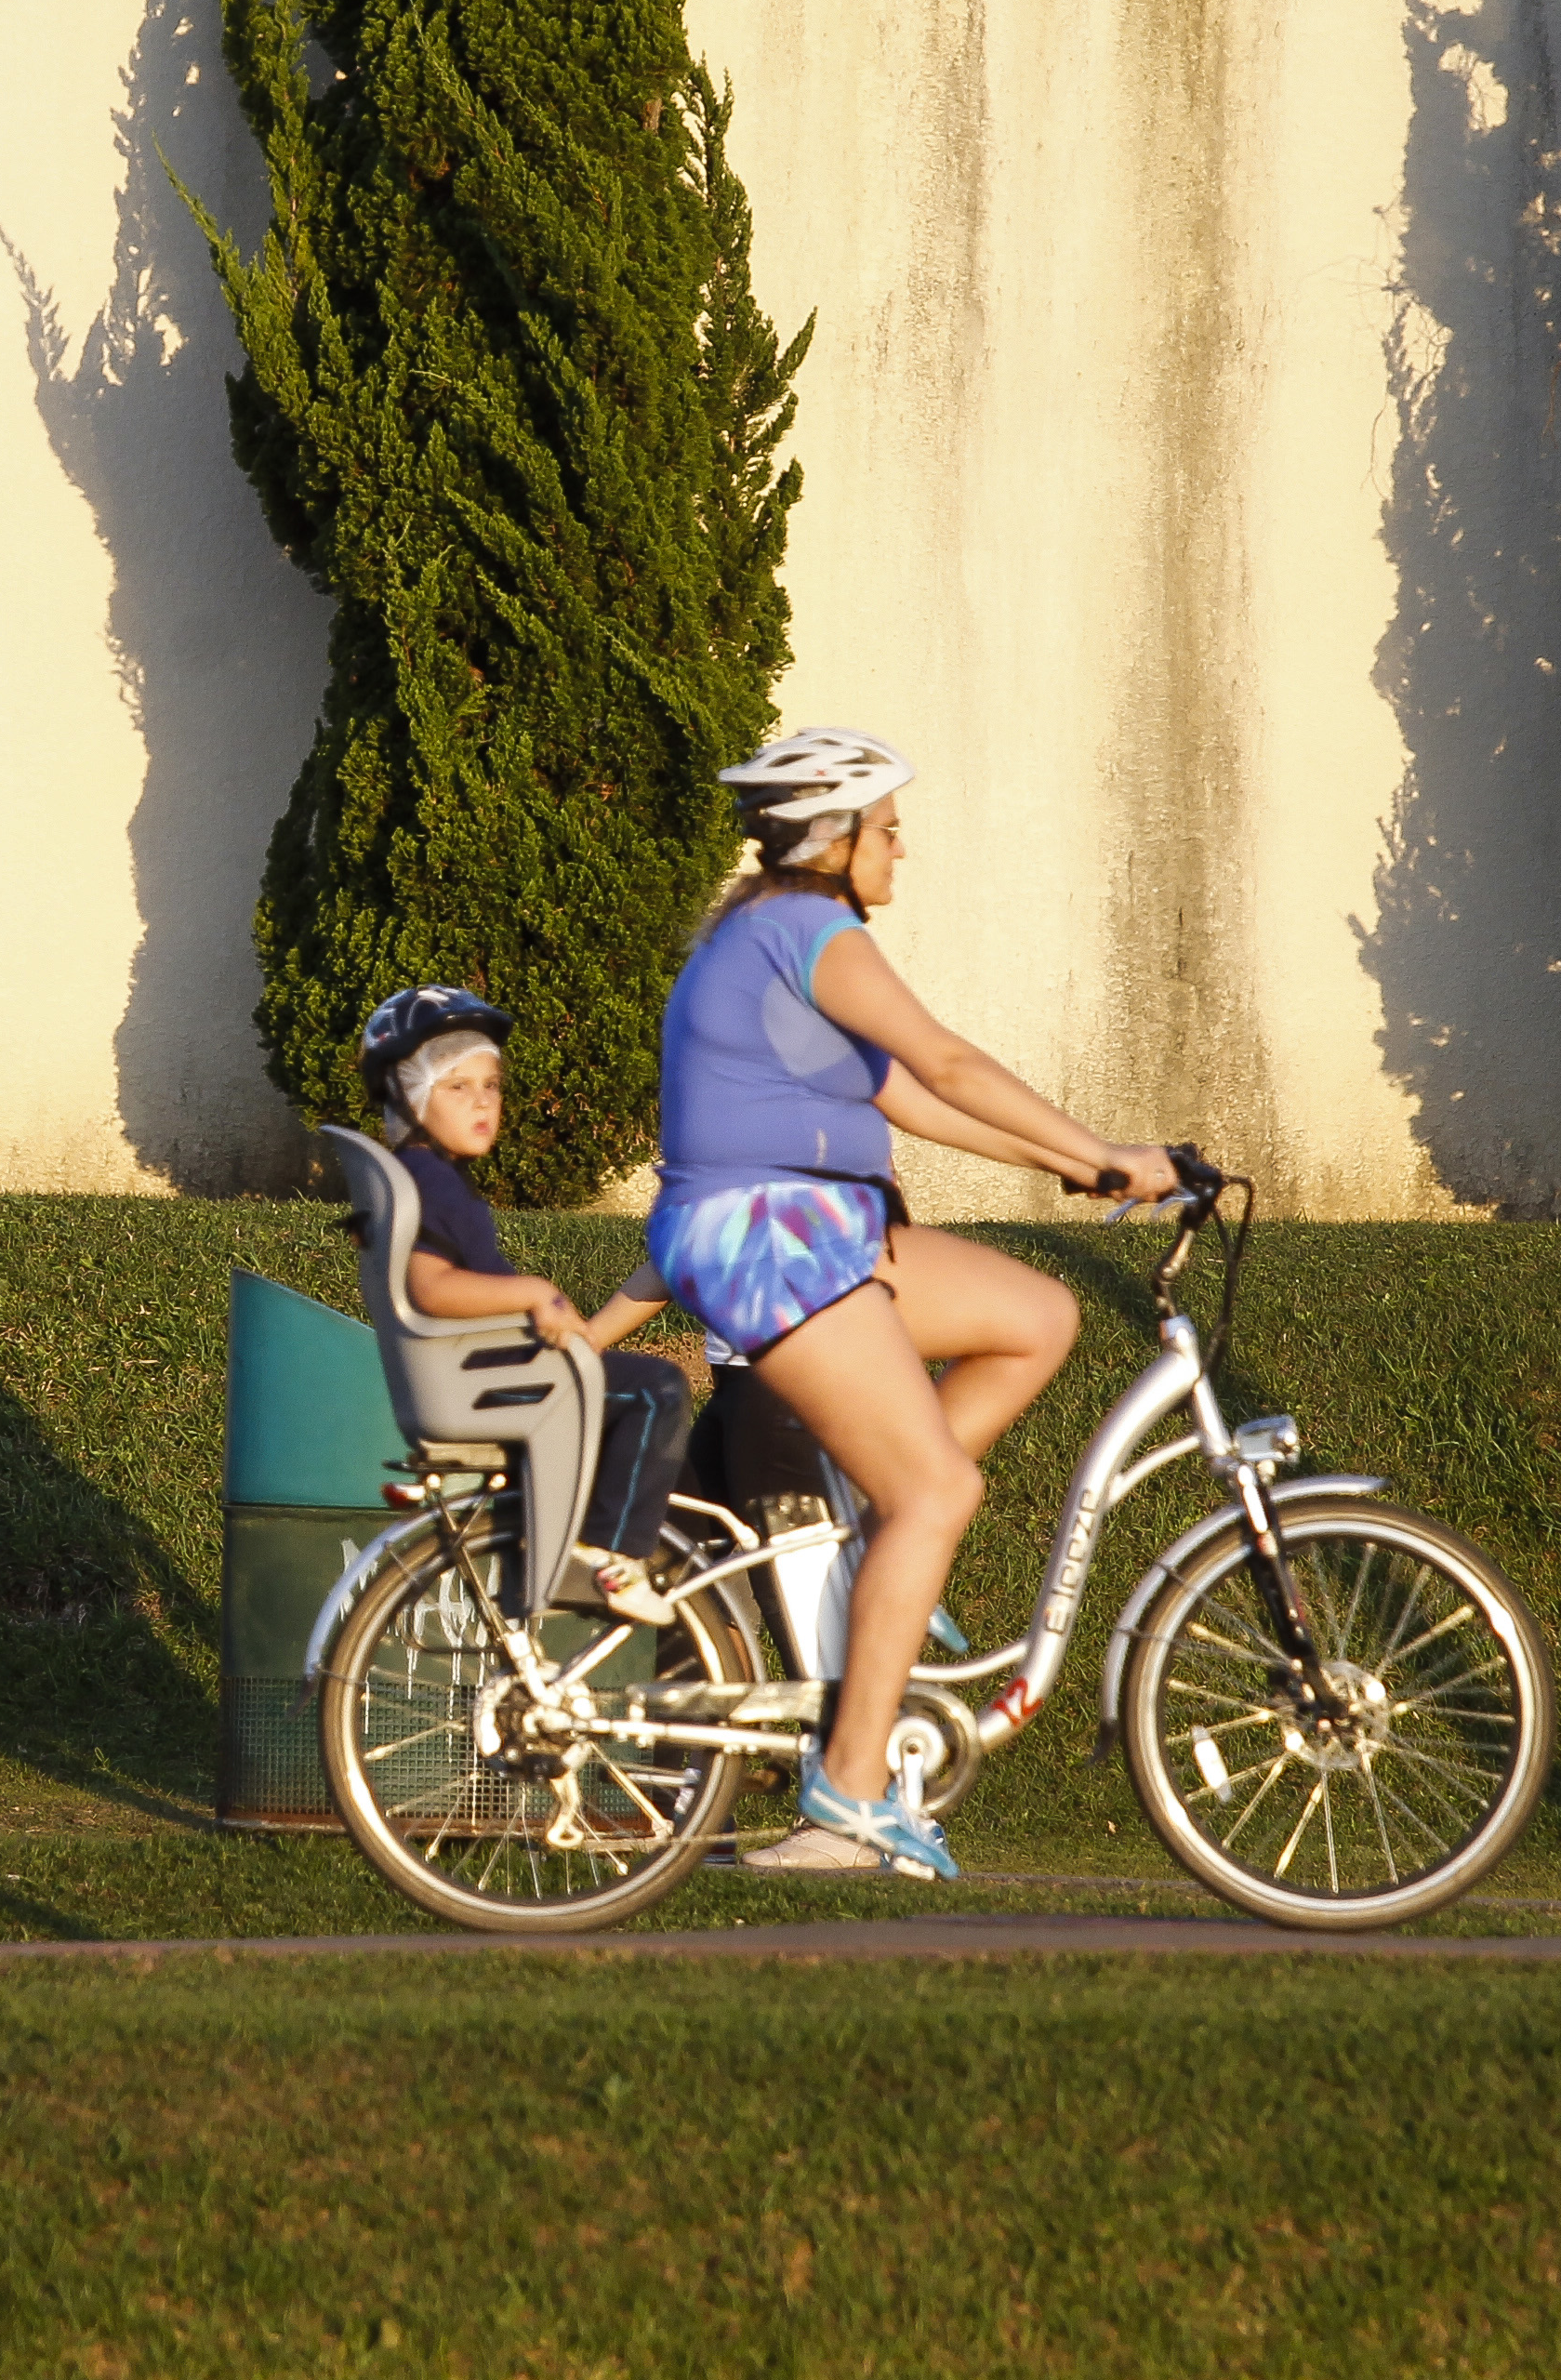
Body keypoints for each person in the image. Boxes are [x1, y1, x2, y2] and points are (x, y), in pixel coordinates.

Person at [644, 727, 1179, 1881]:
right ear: (833, 841)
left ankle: (889, 1545)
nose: (901, 848)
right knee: (941, 1487)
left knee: (1038, 1316)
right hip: (768, 1235)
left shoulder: (778, 941)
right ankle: (846, 1794)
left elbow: (914, 1100)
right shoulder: (806, 930)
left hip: (818, 1231)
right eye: (887, 830)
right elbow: (947, 1063)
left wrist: (1081, 1168)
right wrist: (1105, 1147)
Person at [355, 985, 695, 1622]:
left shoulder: (425, 1173)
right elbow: (431, 1287)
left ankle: (577, 1530)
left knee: (620, 1393)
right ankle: (610, 1555)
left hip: (479, 1372)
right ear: (405, 1092)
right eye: (457, 1087)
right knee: (657, 1389)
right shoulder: (427, 1180)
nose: (483, 1100)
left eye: (492, 1084)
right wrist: (532, 1293)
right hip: (490, 1379)